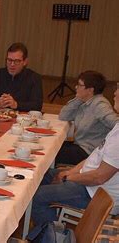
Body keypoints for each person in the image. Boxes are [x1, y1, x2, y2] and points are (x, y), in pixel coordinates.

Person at [32, 83, 119, 225]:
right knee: (37, 175)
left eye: (118, 89)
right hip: (87, 184)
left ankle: (54, 237)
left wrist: (69, 177)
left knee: (36, 196)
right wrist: (69, 173)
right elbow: (92, 158)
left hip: (95, 195)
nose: (114, 93)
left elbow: (99, 177)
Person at [56, 71, 119, 165]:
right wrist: (78, 98)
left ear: (90, 90)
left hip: (88, 153)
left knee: (52, 153)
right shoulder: (84, 102)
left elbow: (115, 123)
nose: (76, 87)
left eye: (80, 85)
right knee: (52, 146)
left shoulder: (100, 105)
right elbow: (63, 116)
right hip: (78, 146)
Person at [0, 42, 43, 111]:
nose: (12, 64)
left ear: (25, 62)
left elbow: (37, 105)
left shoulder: (34, 78)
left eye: (17, 61)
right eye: (9, 60)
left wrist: (16, 104)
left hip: (22, 119)